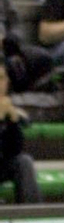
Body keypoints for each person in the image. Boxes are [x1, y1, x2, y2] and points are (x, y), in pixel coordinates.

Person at [0, 61, 41, 202]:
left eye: (3, 78)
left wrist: (12, 121)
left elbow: (15, 150)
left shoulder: (8, 109)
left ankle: (32, 216)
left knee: (24, 162)